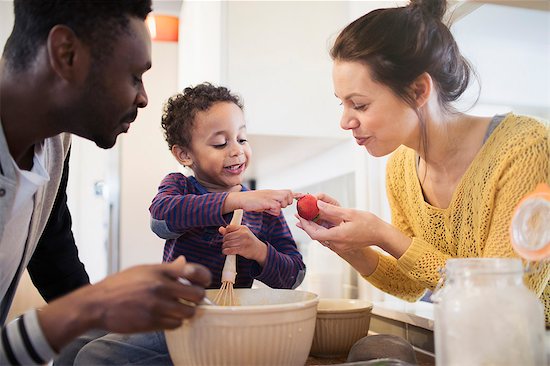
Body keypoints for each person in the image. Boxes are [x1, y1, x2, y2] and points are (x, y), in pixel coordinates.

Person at [296, 0, 550, 325]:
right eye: (342, 104)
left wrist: (384, 234)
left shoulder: (526, 149)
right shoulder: (401, 168)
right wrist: (348, 243)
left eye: (358, 104)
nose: (345, 121)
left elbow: (503, 301)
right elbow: (410, 283)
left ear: (418, 90)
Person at [0, 1, 212, 365]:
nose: (144, 97)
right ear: (66, 54)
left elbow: (52, 244)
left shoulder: (53, 141)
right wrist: (91, 305)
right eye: (135, 75)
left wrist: (98, 317)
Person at [71, 82, 306, 365]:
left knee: (94, 357)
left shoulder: (264, 209)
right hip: (168, 307)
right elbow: (161, 219)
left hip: (212, 325)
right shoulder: (180, 187)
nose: (236, 150)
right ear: (184, 154)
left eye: (242, 139)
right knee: (72, 343)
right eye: (220, 143)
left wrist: (257, 250)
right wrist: (232, 202)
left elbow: (294, 276)